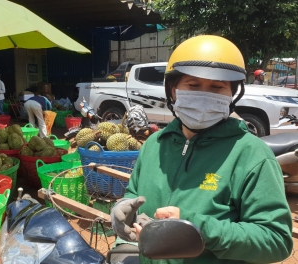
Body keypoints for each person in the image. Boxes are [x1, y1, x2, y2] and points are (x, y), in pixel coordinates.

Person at [110, 35, 293, 263]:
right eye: (193, 85)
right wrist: (123, 211)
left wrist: (197, 228)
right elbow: (135, 197)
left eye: (217, 87)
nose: (205, 95)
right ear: (173, 90)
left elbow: (276, 241)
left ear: (232, 94)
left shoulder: (251, 155)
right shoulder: (154, 145)